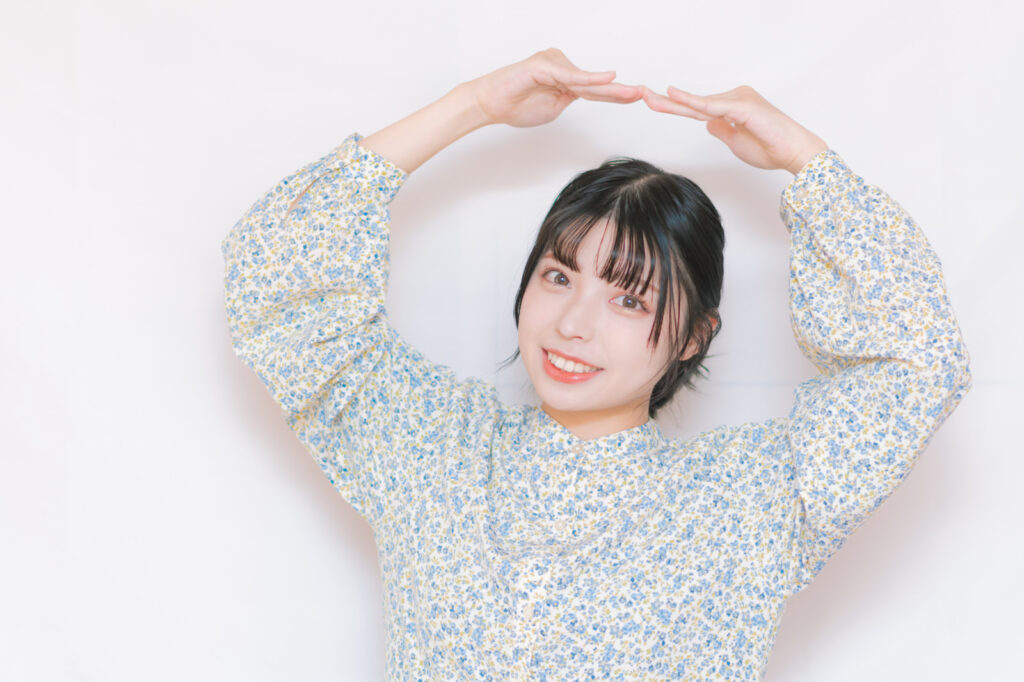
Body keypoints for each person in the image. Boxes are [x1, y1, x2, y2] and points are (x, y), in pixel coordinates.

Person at [221, 48, 971, 680]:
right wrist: (471, 105)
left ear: (692, 338)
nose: (573, 324)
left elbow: (918, 364)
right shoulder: (434, 445)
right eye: (558, 276)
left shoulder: (749, 500)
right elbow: (276, 276)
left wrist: (806, 162)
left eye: (629, 299)